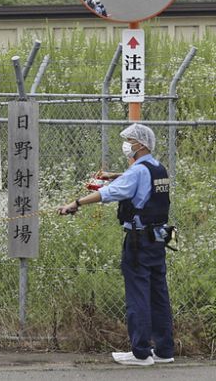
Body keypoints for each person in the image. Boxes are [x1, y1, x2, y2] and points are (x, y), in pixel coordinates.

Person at [57, 124, 174, 366]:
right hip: (157, 239)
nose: (127, 144)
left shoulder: (137, 171)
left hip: (138, 241)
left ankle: (141, 353)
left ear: (140, 145)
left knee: (138, 294)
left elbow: (109, 193)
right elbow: (136, 180)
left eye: (130, 140)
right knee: (158, 294)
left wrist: (76, 203)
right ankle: (164, 350)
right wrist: (116, 175)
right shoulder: (157, 168)